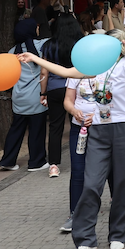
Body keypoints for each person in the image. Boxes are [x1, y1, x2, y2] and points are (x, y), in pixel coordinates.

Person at [25, 30, 125, 249]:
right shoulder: (92, 67)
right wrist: (35, 58)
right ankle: (85, 240)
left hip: (124, 129)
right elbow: (64, 71)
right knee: (91, 184)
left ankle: (118, 234)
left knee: (122, 184)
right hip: (97, 131)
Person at [0, 19, 50, 173]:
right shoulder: (42, 45)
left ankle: (8, 160)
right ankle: (36, 162)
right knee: (36, 130)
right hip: (36, 96)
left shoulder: (12, 52)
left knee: (16, 129)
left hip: (18, 97)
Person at [41, 13, 84, 177]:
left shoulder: (48, 45)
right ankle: (80, 158)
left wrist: (43, 92)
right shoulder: (80, 44)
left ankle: (53, 165)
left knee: (55, 127)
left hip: (54, 88)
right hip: (76, 88)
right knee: (78, 123)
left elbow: (44, 71)